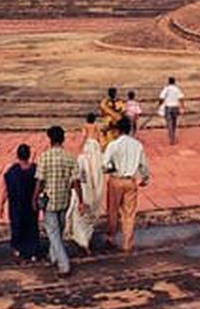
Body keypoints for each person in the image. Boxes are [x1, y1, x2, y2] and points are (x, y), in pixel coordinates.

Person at [34, 126, 84, 276]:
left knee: (54, 233)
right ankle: (53, 255)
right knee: (58, 230)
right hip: (64, 199)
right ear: (63, 139)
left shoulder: (44, 157)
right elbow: (76, 182)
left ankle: (64, 264)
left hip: (49, 200)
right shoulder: (70, 157)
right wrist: (81, 200)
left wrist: (34, 197)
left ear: (50, 140)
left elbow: (40, 181)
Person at [103, 117, 151, 252]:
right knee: (129, 213)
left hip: (116, 180)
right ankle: (127, 243)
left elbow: (105, 164)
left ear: (118, 130)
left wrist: (110, 168)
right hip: (131, 181)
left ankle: (111, 237)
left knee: (113, 210)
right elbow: (143, 165)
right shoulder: (137, 145)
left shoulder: (113, 145)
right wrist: (145, 178)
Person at [0, 143, 39, 260]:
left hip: (16, 205)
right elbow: (39, 185)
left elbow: (6, 189)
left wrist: (1, 204)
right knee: (31, 226)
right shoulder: (35, 169)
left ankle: (19, 249)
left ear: (17, 155)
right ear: (29, 155)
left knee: (17, 226)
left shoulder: (12, 171)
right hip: (31, 204)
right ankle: (33, 251)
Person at [65, 131, 105, 251]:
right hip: (95, 193)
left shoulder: (82, 159)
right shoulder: (100, 159)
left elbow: (78, 177)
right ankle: (86, 239)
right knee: (88, 218)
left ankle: (82, 241)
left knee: (79, 217)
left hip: (82, 192)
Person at [159, 77, 185, 145]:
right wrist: (182, 106)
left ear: (168, 82)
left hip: (168, 107)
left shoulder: (166, 89)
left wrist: (160, 104)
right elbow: (181, 98)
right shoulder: (177, 89)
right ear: (174, 82)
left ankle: (171, 137)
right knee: (174, 122)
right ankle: (173, 135)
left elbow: (161, 97)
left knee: (169, 123)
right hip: (175, 107)